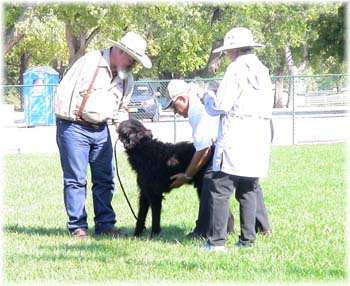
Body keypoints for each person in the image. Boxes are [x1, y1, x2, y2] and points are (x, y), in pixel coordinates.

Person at [55, 31, 152, 238]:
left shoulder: (128, 78)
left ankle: (105, 225)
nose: (133, 64)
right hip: (74, 127)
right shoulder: (90, 62)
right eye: (132, 59)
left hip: (101, 130)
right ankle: (78, 227)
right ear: (119, 51)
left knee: (105, 179)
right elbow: (65, 93)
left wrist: (132, 138)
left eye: (136, 61)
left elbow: (122, 110)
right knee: (76, 180)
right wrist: (71, 118)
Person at [201, 27, 273, 251]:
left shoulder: (235, 68)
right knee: (249, 187)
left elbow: (221, 106)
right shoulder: (263, 69)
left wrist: (206, 97)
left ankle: (216, 242)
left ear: (233, 49)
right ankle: (247, 239)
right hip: (259, 131)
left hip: (237, 131)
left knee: (221, 187)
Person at [163, 79, 234, 239]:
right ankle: (232, 226)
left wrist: (187, 176)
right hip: (229, 145)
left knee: (208, 184)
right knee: (247, 187)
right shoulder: (200, 105)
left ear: (182, 99)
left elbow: (203, 149)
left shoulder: (196, 111)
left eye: (174, 107)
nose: (176, 112)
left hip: (220, 147)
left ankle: (203, 231)